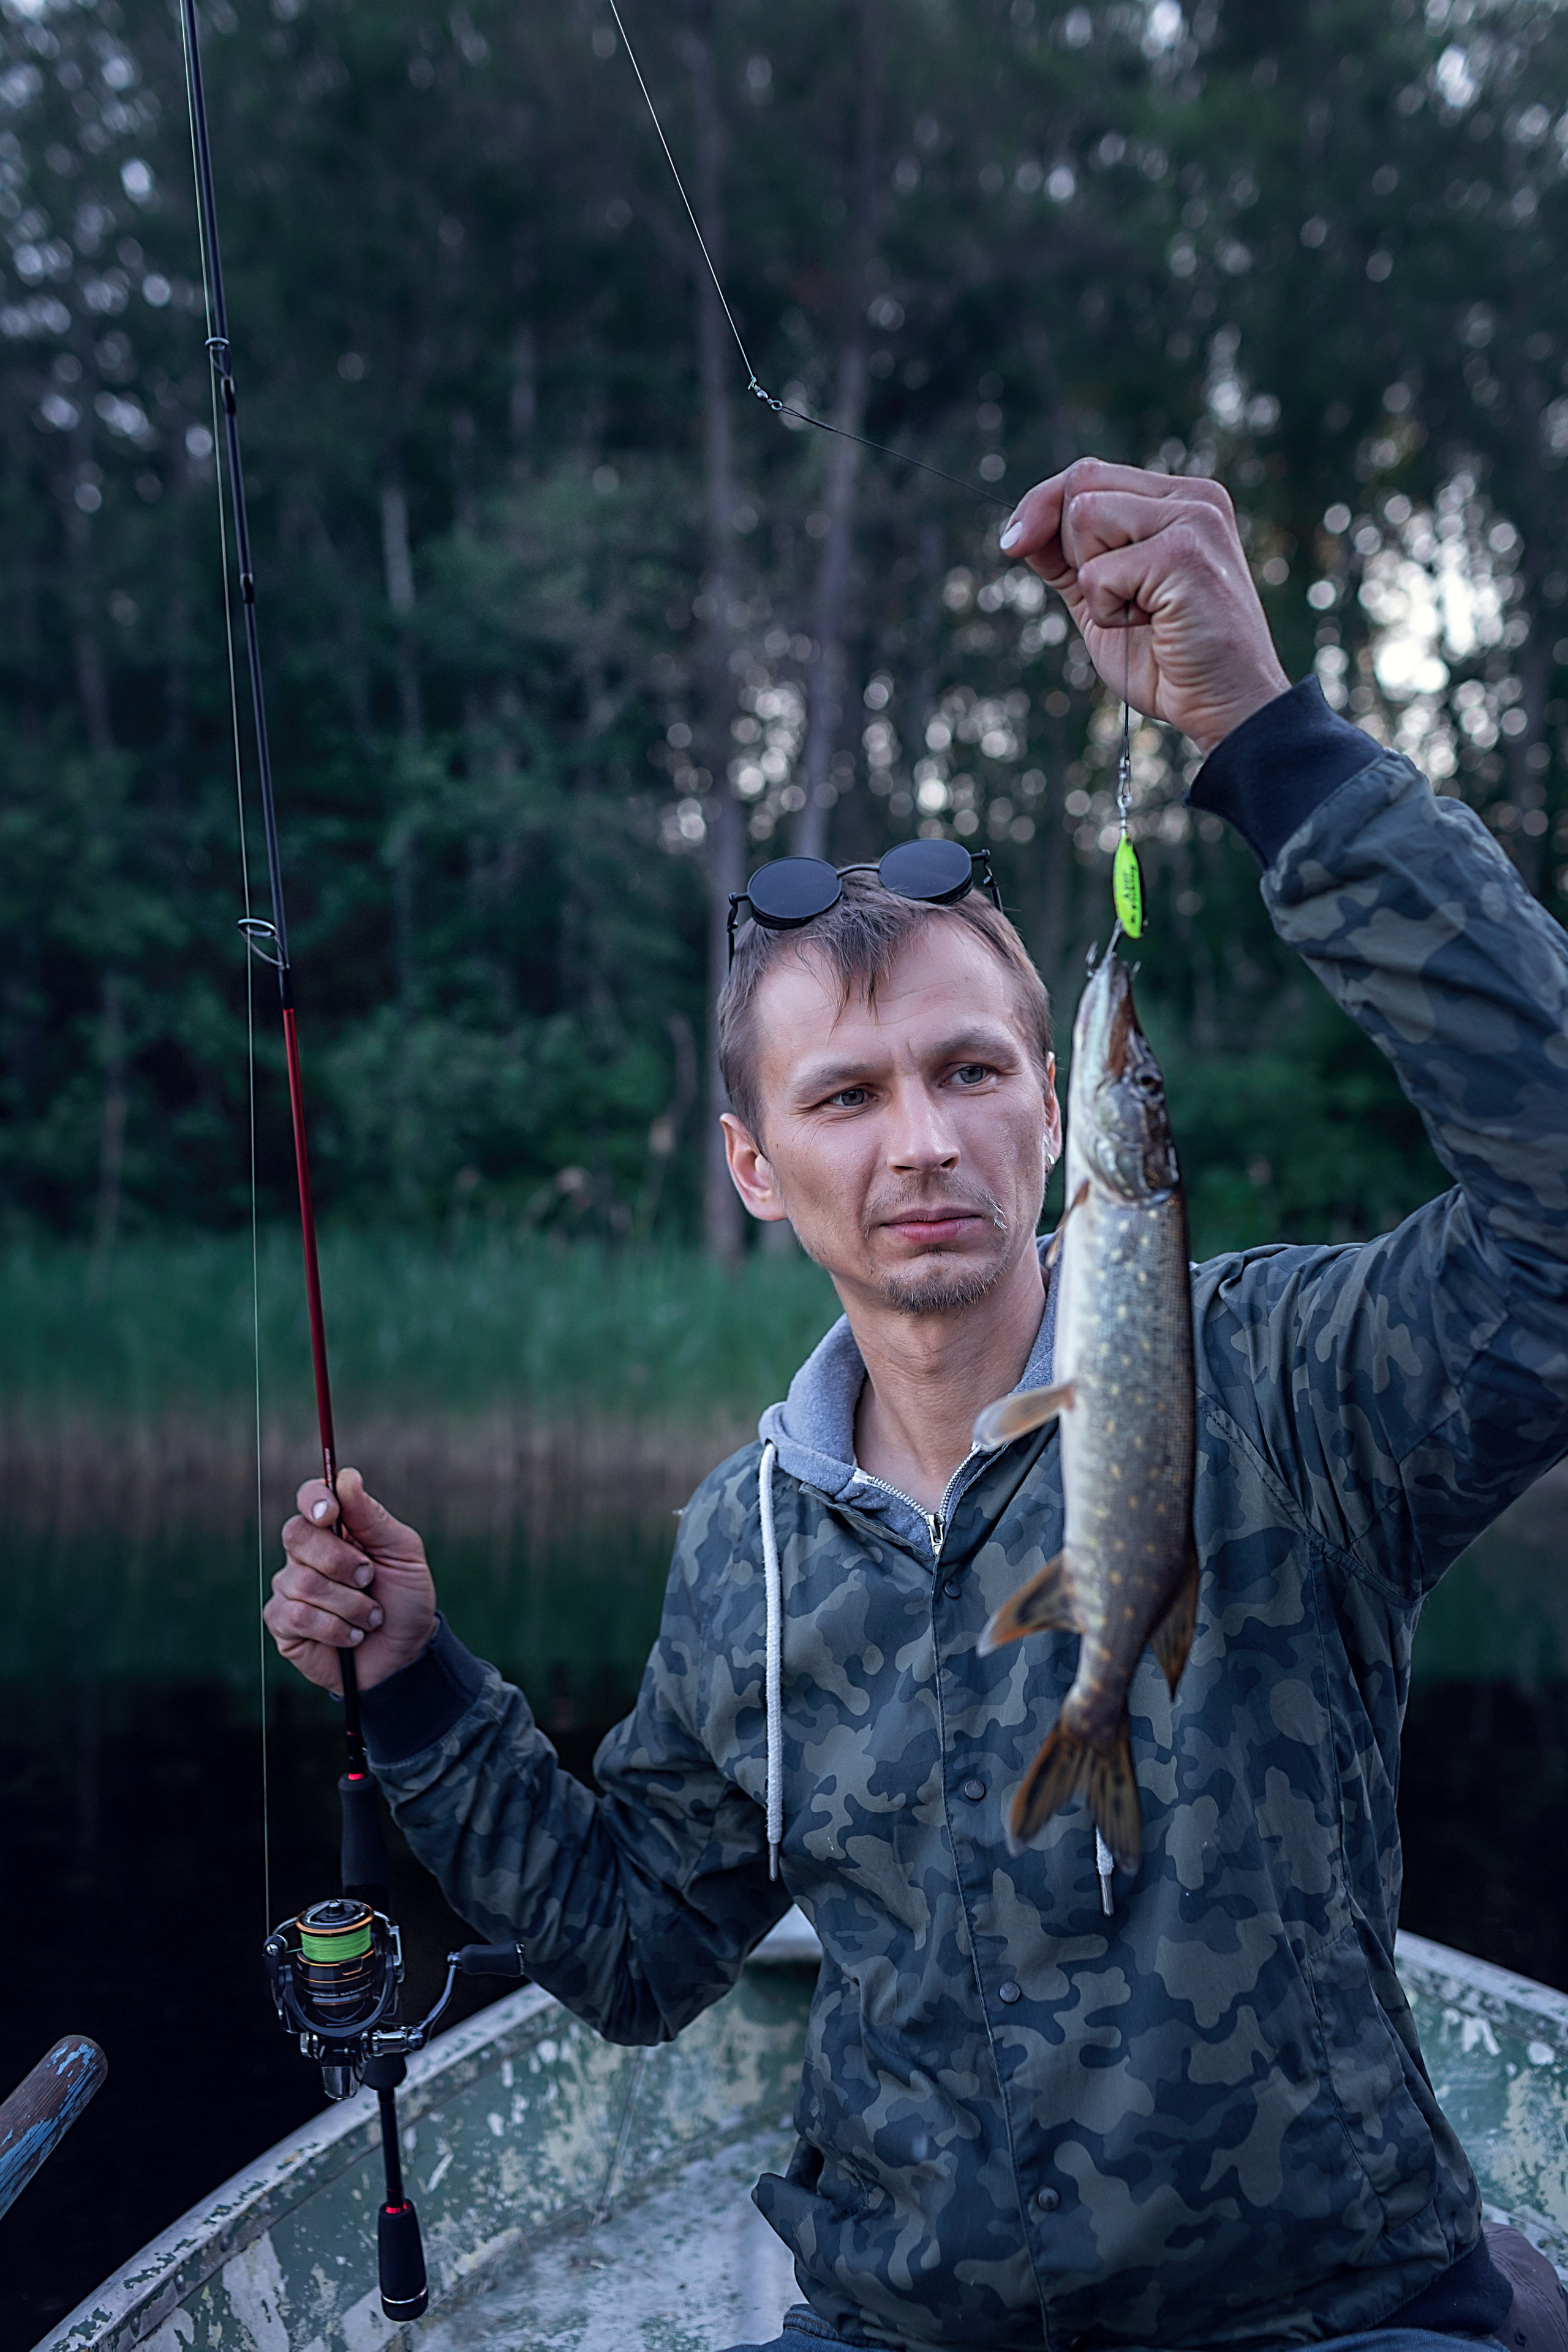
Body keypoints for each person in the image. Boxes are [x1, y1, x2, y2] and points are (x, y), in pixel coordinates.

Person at [265, 460, 1568, 2352]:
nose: (925, 1140)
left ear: (1056, 1106)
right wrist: (418, 1684)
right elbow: (639, 1953)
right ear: (753, 1166)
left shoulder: (1287, 1379)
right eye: (848, 1097)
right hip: (900, 2321)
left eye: (970, 1070)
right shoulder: (748, 1544)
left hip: (1327, 2305)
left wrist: (1268, 742)